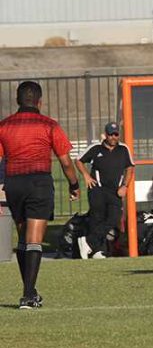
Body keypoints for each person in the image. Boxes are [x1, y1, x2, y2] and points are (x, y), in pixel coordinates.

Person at [0, 81, 80, 309]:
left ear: (17, 100)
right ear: (39, 101)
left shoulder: (3, 126)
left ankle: (31, 290)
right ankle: (27, 296)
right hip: (39, 183)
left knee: (23, 239)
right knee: (34, 241)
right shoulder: (49, 125)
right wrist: (74, 184)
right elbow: (65, 162)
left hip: (14, 184)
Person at [74, 121, 134, 260]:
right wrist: (86, 176)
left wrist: (125, 185)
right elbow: (78, 160)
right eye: (110, 134)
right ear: (105, 135)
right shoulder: (96, 148)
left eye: (116, 134)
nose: (113, 137)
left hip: (115, 191)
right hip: (97, 189)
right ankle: (97, 251)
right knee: (97, 219)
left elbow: (130, 168)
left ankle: (88, 242)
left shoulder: (124, 149)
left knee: (114, 218)